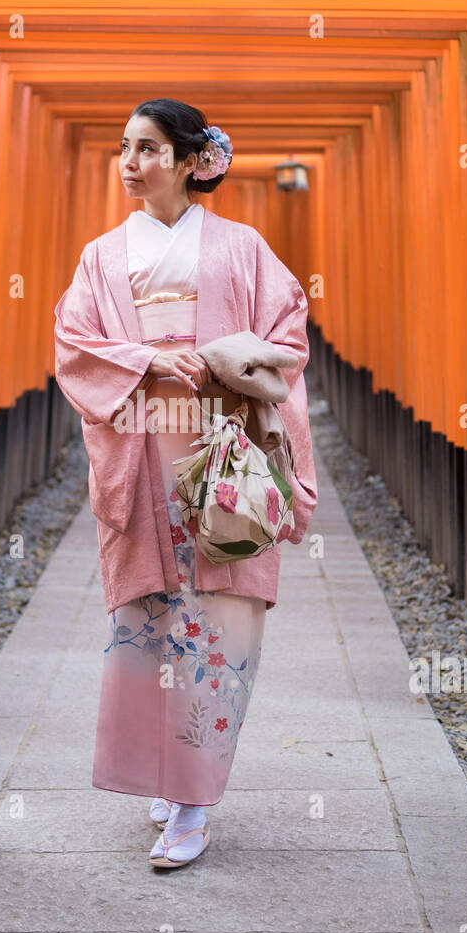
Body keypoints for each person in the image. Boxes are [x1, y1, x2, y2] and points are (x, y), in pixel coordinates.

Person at [53, 98, 317, 870]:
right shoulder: (102, 256)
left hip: (221, 444)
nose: (130, 163)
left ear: (190, 161)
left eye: (148, 149)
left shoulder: (241, 248)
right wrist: (141, 359)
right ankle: (164, 778)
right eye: (125, 148)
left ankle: (195, 801)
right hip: (137, 450)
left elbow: (287, 338)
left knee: (216, 620)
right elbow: (73, 345)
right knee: (150, 616)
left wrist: (218, 353)